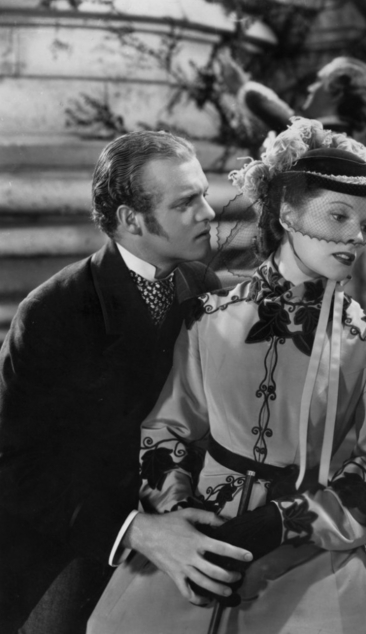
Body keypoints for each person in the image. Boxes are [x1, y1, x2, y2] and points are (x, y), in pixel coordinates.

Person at [88, 118, 366, 634]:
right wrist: (179, 516)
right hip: (198, 532)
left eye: (365, 224)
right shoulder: (206, 317)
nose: (356, 237)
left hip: (307, 542)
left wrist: (281, 522)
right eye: (338, 216)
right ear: (287, 212)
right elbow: (167, 430)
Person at [0, 130, 253, 634]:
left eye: (204, 194)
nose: (208, 212)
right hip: (72, 529)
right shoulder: (53, 311)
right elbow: (16, 467)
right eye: (186, 202)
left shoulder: (198, 282)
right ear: (131, 219)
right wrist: (138, 530)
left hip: (175, 503)